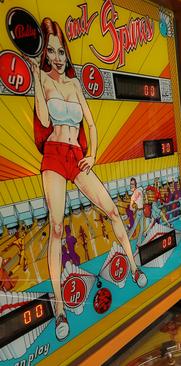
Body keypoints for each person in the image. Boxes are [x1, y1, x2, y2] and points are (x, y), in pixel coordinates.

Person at [28, 18, 147, 341]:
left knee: (111, 209)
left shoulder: (74, 84)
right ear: (45, 54)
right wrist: (38, 79)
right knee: (55, 227)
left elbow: (91, 125)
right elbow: (41, 118)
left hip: (76, 156)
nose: (57, 56)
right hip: (54, 154)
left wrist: (92, 154)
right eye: (50, 51)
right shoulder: (45, 79)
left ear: (66, 52)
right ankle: (61, 309)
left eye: (60, 50)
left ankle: (135, 266)